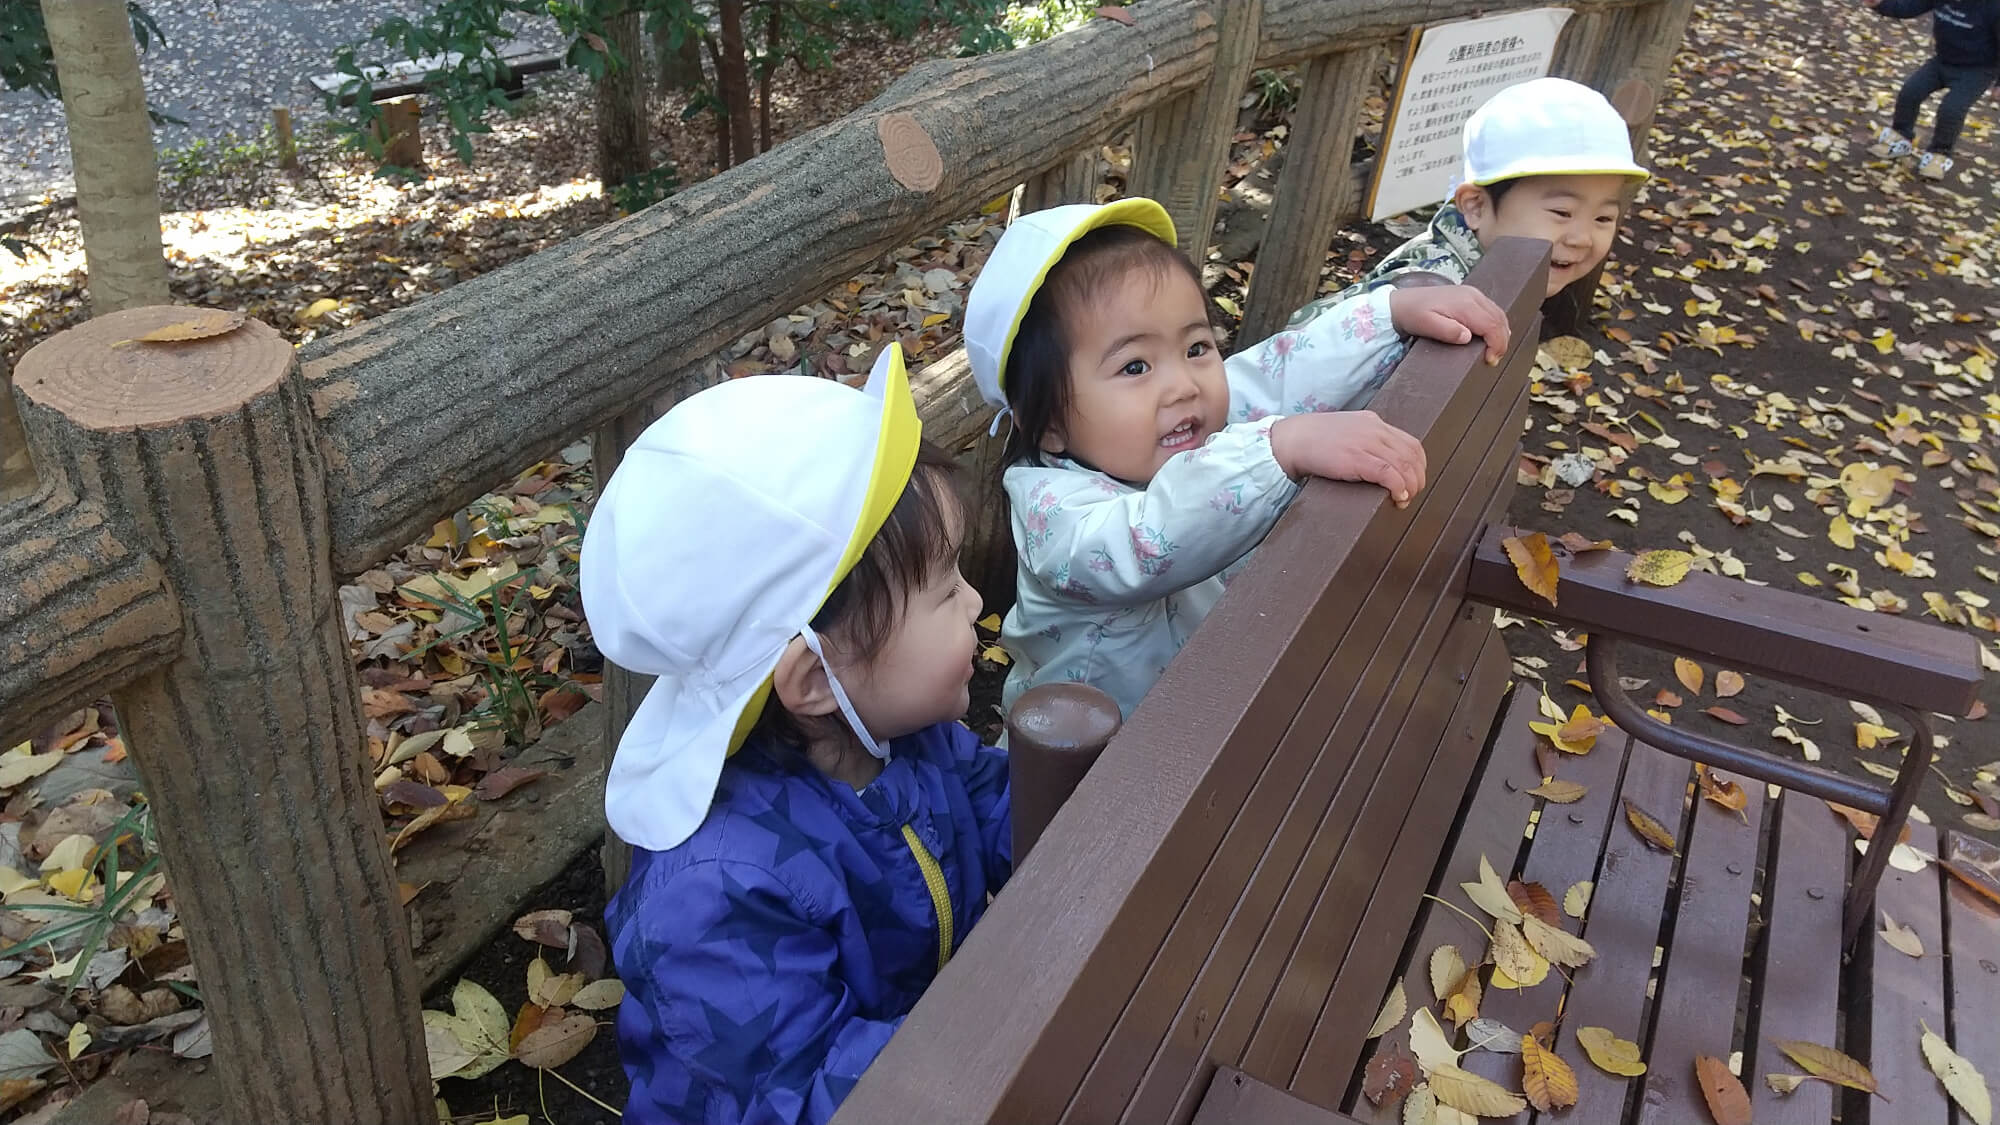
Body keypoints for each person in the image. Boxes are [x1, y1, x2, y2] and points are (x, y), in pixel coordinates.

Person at [580, 344, 1011, 1125]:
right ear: (814, 680)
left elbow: (994, 799)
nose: (977, 600)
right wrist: (1004, 1032)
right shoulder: (713, 897)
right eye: (946, 587)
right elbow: (814, 1091)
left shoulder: (900, 734)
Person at [964, 197, 1510, 719]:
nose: (1183, 384)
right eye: (1135, 367)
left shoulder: (1189, 422)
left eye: (1196, 348)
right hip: (1090, 776)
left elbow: (1277, 372)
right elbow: (1145, 538)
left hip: (1210, 721)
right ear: (1050, 425)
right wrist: (1278, 448)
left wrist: (1387, 315)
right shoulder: (1055, 515)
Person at [1321, 77, 1649, 306]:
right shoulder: (1433, 295)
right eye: (1562, 213)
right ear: (1476, 206)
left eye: (1604, 217)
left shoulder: (1494, 272)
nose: (1581, 238)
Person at [1862, 0, 2000, 181]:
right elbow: (1910, 7)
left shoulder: (1993, 7)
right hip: (1943, 60)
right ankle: (1900, 136)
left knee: (1951, 109)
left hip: (1977, 70)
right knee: (1911, 92)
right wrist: (1880, 5)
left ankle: (1939, 154)